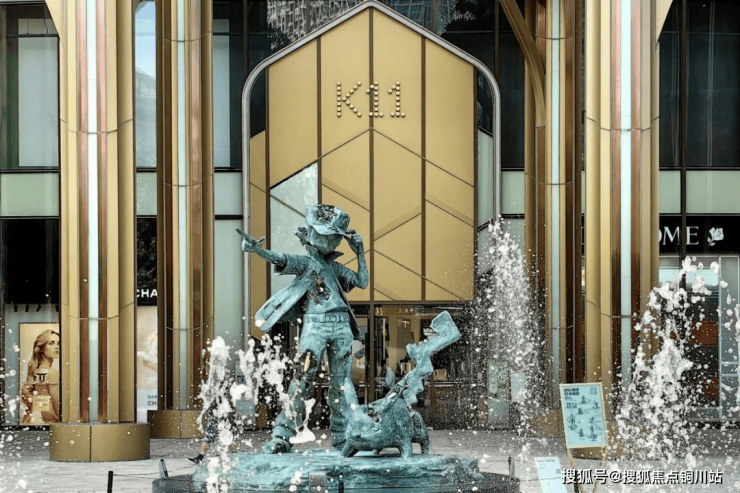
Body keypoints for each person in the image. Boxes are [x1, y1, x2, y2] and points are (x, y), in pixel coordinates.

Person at [237, 204, 368, 454]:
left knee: (342, 383)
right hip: (315, 326)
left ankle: (343, 437)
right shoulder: (305, 262)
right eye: (326, 235)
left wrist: (360, 252)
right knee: (303, 378)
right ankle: (282, 434)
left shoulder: (336, 268)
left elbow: (362, 282)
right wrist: (257, 250)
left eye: (335, 237)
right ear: (309, 235)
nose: (331, 241)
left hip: (341, 326)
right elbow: (280, 258)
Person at [21, 329, 61, 424]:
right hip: (49, 424)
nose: (57, 347)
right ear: (41, 348)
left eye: (58, 343)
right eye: (51, 343)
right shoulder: (51, 372)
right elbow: (58, 407)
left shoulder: (35, 370)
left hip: (32, 422)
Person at [189, 391, 238, 465]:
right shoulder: (225, 394)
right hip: (222, 419)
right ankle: (237, 455)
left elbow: (210, 405)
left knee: (208, 439)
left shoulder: (217, 393)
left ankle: (200, 458)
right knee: (227, 438)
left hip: (216, 419)